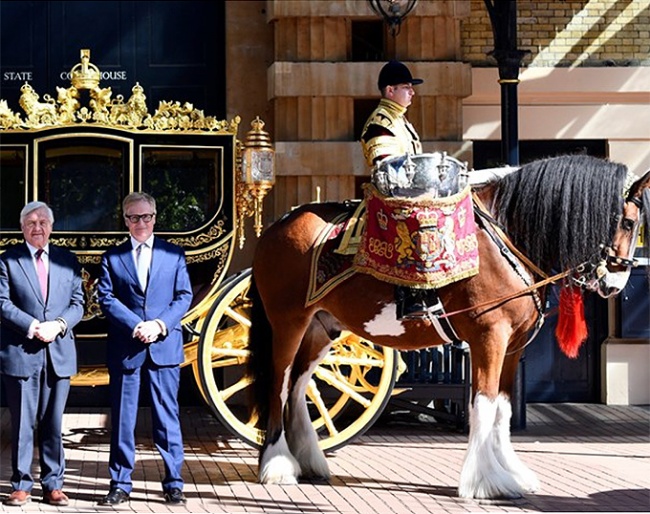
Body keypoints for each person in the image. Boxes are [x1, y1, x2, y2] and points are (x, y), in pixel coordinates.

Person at [97, 192, 193, 505]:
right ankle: (120, 484)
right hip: (127, 348)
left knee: (167, 417)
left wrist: (159, 325)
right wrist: (135, 325)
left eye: (146, 217)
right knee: (123, 419)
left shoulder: (174, 255)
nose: (141, 223)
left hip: (163, 347)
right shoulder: (112, 257)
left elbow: (183, 296)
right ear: (125, 220)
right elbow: (106, 298)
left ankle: (173, 482)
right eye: (134, 217)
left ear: (155, 217)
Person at [0, 202, 84, 507]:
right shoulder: (7, 261)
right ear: (22, 227)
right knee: (23, 423)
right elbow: (2, 303)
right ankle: (21, 484)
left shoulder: (67, 260)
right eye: (31, 222)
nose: (38, 227)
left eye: (43, 222)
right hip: (22, 352)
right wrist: (34, 326)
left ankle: (53, 484)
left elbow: (78, 303)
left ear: (51, 226)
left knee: (53, 422)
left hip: (58, 352)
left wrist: (59, 325)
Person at [360, 60, 428, 319]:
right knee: (418, 224)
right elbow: (388, 169)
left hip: (406, 192)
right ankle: (409, 295)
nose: (412, 92)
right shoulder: (382, 122)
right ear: (390, 90)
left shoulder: (400, 121)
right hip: (389, 196)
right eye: (407, 87)